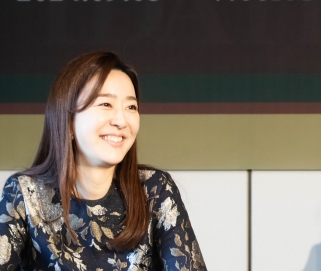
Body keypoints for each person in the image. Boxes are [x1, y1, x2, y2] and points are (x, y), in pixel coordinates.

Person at [0, 52, 206, 270]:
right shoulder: (24, 194)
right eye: (106, 104)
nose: (121, 120)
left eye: (131, 107)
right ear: (68, 120)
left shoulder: (155, 189)